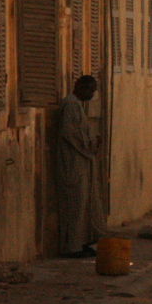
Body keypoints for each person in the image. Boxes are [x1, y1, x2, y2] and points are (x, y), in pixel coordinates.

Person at [55, 75, 105, 258]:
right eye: (90, 91)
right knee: (75, 204)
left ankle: (82, 241)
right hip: (73, 164)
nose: (92, 95)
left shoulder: (77, 106)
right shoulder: (71, 105)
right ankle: (72, 246)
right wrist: (90, 143)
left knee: (84, 203)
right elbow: (71, 133)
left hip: (81, 163)